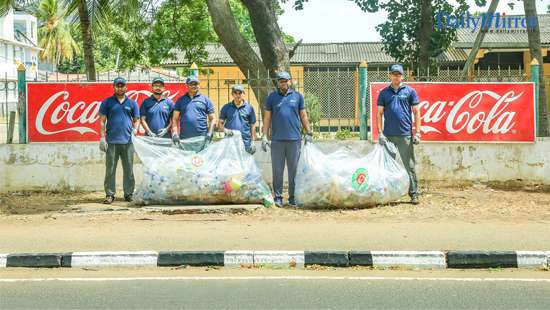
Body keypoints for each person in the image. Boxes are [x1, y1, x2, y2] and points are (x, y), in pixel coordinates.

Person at [261, 71, 313, 207]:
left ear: (290, 81)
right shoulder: (271, 98)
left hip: (294, 140)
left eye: (285, 80)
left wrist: (309, 132)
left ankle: (292, 197)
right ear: (278, 83)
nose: (283, 83)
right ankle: (278, 197)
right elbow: (267, 118)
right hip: (277, 140)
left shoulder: (298, 97)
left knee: (293, 170)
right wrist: (264, 136)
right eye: (281, 81)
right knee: (277, 170)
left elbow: (303, 116)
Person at [376, 64, 421, 205]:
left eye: (399, 74)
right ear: (390, 76)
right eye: (394, 74)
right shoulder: (384, 93)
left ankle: (413, 194)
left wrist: (418, 132)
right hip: (388, 136)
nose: (396, 77)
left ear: (402, 76)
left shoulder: (410, 91)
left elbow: (416, 112)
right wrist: (380, 133)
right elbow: (379, 113)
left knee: (410, 166)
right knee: (387, 166)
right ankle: (386, 194)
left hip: (405, 135)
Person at [99, 77, 140, 204]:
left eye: (122, 86)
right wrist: (102, 137)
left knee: (129, 169)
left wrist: (135, 129)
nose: (120, 88)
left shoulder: (132, 103)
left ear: (126, 87)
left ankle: (128, 194)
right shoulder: (107, 102)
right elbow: (102, 121)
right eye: (117, 86)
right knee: (110, 169)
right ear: (114, 87)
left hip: (128, 142)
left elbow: (137, 119)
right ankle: (110, 194)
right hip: (111, 142)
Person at [171, 76, 216, 151]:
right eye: (192, 84)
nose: (194, 86)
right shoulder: (180, 100)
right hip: (185, 138)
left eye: (196, 84)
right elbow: (175, 119)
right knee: (187, 161)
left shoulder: (205, 100)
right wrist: (175, 133)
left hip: (202, 138)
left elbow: (213, 118)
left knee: (202, 161)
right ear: (187, 85)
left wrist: (210, 133)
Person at [219, 84, 257, 154]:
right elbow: (220, 123)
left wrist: (253, 141)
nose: (238, 95)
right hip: (230, 141)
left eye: (240, 93)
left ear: (243, 94)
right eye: (235, 93)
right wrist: (225, 130)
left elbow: (253, 125)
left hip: (245, 141)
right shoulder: (226, 107)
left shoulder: (249, 108)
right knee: (230, 163)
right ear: (232, 94)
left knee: (245, 163)